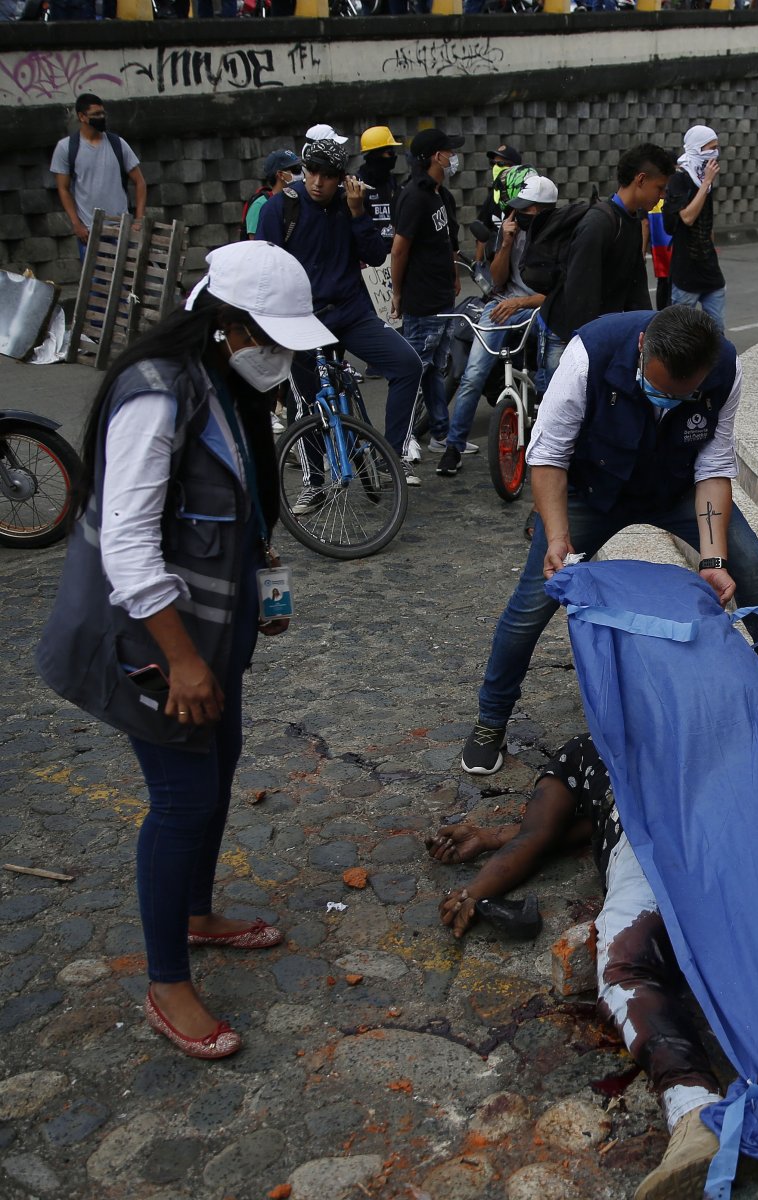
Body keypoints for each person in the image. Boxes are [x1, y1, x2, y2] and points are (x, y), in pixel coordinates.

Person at [36, 241, 335, 1060]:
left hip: (213, 631)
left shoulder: (224, 387)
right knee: (181, 799)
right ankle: (167, 979)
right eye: (270, 337)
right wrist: (185, 663)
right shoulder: (154, 394)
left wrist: (262, 576)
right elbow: (128, 549)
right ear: (227, 326)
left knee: (220, 766)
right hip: (152, 641)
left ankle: (196, 913)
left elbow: (229, 503)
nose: (279, 356)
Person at [459, 305, 758, 776]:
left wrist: (713, 557)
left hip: (674, 488)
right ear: (641, 348)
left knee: (750, 563)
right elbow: (549, 454)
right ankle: (491, 719)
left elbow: (713, 465)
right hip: (594, 492)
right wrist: (557, 537)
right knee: (533, 600)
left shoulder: (725, 369)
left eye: (681, 394)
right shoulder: (589, 354)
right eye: (658, 389)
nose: (667, 402)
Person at [429, 733, 727, 1197]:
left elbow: (541, 832)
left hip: (681, 839)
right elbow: (548, 832)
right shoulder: (589, 752)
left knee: (625, 967)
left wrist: (479, 882)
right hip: (685, 844)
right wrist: (488, 852)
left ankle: (697, 1108)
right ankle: (702, 1116)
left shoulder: (625, 742)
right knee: (632, 959)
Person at [256, 136, 424, 495]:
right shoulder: (279, 208)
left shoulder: (352, 204)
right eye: (311, 172)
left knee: (408, 364)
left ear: (342, 178)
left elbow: (376, 256)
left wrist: (358, 212)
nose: (318, 182)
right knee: (308, 401)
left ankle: (391, 455)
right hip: (301, 320)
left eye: (328, 175)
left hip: (350, 312)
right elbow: (263, 266)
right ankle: (314, 483)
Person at [437, 174, 558, 478]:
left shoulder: (560, 239)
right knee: (473, 374)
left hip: (539, 307)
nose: (518, 216)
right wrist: (504, 243)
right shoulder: (511, 231)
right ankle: (454, 445)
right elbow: (497, 280)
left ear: (541, 210)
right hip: (501, 304)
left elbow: (559, 293)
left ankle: (548, 438)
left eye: (525, 209)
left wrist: (521, 303)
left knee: (549, 375)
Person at [535, 142, 677, 390]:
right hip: (565, 334)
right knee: (560, 413)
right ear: (641, 179)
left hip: (594, 333)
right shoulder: (599, 223)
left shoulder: (631, 221)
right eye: (660, 188)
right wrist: (590, 348)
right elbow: (581, 295)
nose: (662, 196)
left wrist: (649, 333)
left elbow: (636, 290)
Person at [391, 129, 465, 460]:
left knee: (436, 368)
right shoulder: (414, 196)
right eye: (450, 152)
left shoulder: (439, 195)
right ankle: (403, 439)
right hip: (421, 302)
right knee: (413, 370)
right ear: (436, 156)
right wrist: (396, 292)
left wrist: (453, 275)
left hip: (442, 296)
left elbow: (447, 242)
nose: (453, 159)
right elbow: (399, 250)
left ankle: (440, 433)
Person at [51, 94, 147, 259]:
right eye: (95, 115)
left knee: (126, 281)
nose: (101, 118)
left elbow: (140, 182)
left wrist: (138, 220)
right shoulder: (66, 148)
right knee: (95, 282)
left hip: (121, 228)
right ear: (82, 117)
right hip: (89, 231)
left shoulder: (118, 143)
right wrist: (77, 224)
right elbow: (63, 188)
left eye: (103, 114)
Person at [662, 125, 726, 330]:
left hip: (709, 268)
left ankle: (718, 361)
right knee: (680, 331)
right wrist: (706, 182)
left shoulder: (704, 178)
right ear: (697, 148)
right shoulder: (679, 178)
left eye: (717, 148)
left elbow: (708, 222)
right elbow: (687, 217)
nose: (714, 153)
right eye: (710, 148)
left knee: (716, 329)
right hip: (686, 270)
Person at [474, 142, 523, 264]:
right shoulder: (493, 196)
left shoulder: (526, 195)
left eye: (501, 164)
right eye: (493, 163)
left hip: (520, 262)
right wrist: (478, 263)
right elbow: (483, 228)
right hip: (496, 261)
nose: (496, 167)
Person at [357, 125, 403, 245]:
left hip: (392, 250)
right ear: (376, 154)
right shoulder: (359, 183)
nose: (393, 156)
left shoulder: (391, 180)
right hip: (370, 253)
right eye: (389, 153)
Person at [241, 148, 299, 241]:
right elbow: (254, 243)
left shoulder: (298, 199)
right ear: (280, 174)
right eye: (295, 170)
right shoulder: (259, 205)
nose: (300, 173)